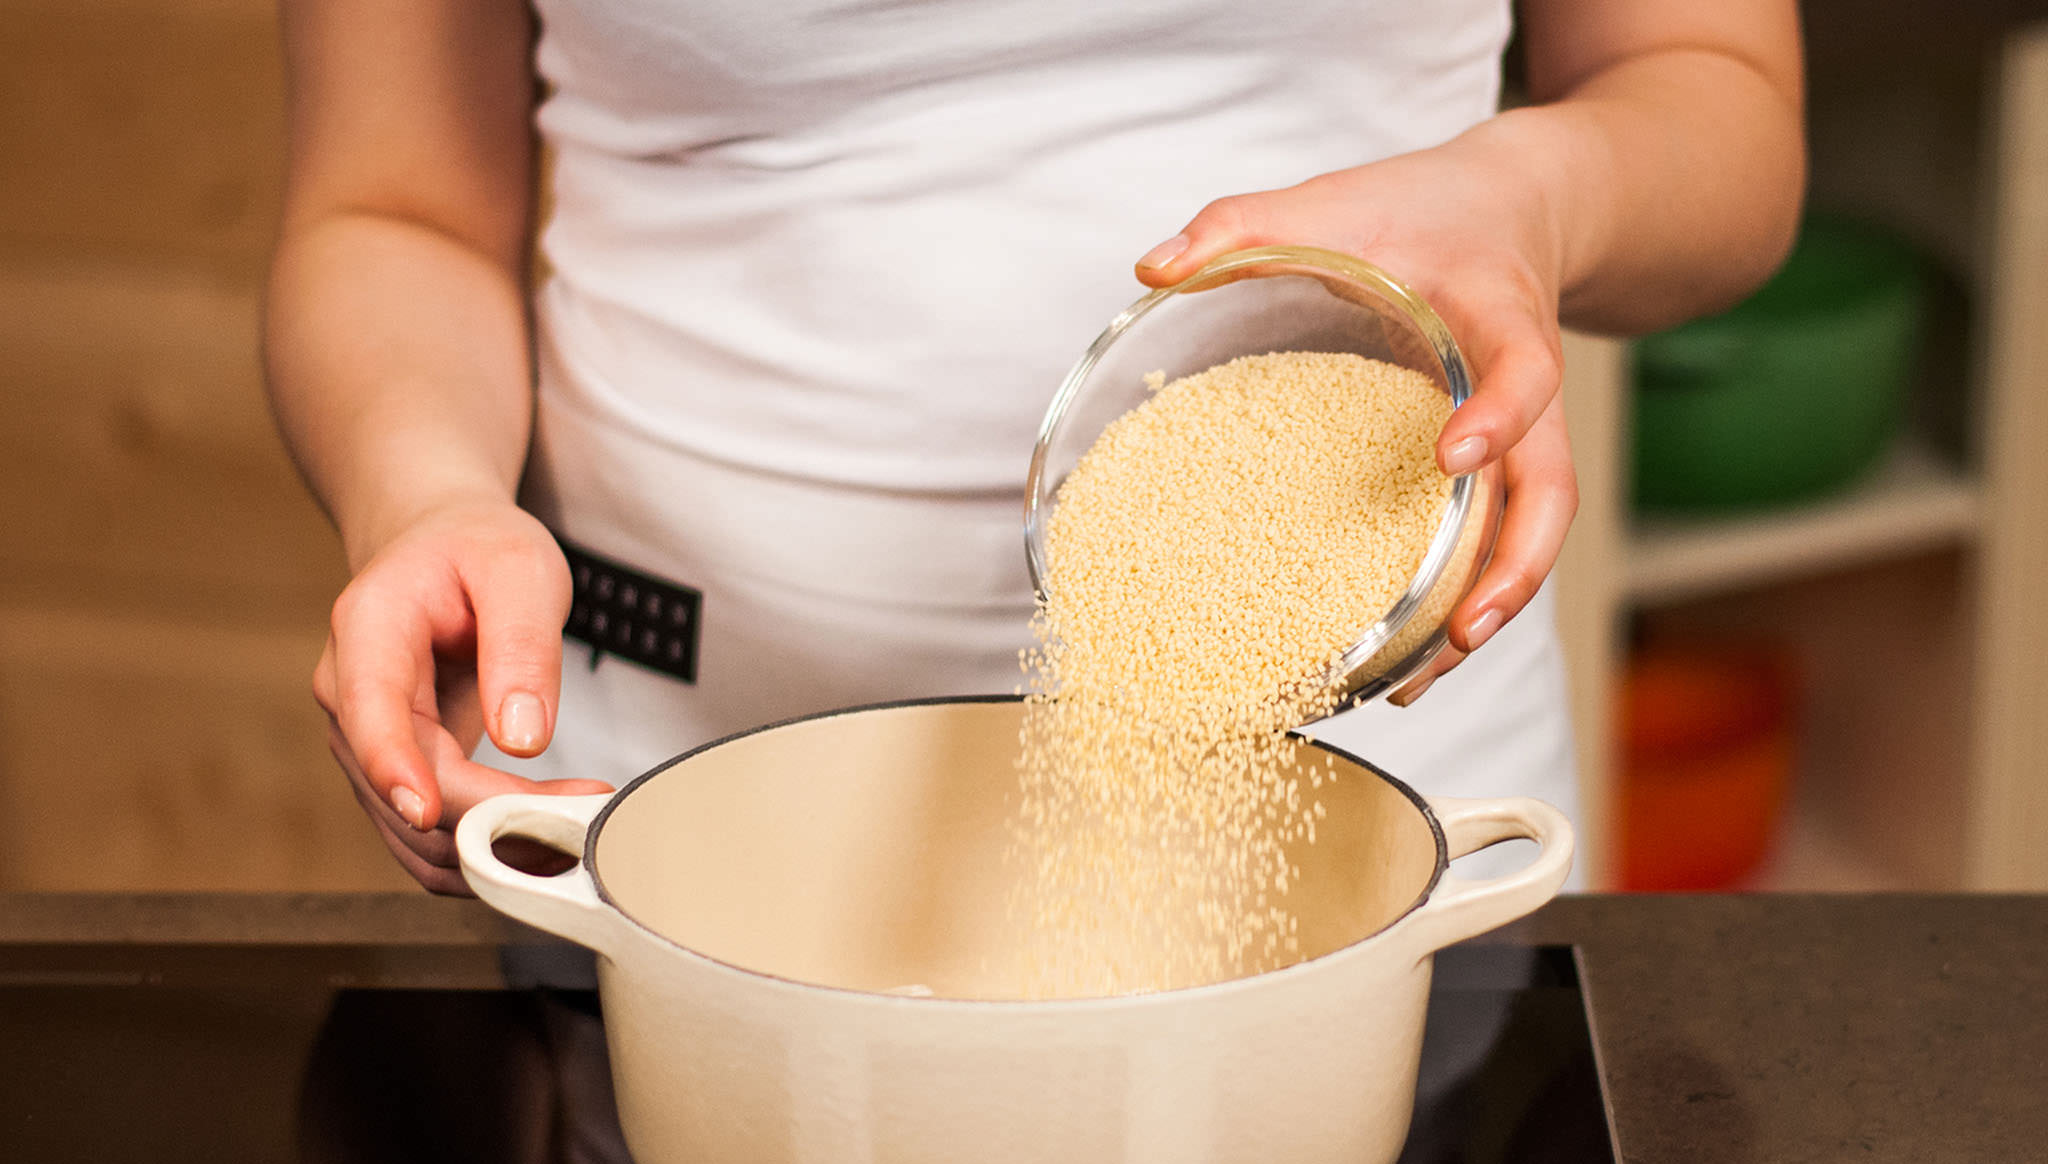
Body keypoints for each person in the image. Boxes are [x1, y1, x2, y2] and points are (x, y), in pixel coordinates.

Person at [266, 0, 1804, 894]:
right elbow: (392, 203)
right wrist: (428, 498)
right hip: (676, 829)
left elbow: (1716, 105)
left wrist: (1538, 192)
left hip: (1381, 823)